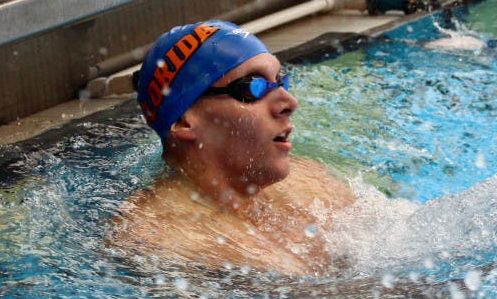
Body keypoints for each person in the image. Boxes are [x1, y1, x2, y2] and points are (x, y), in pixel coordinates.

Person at [111, 20, 355, 276]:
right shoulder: (163, 238)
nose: (289, 102)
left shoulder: (311, 181)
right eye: (252, 87)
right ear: (184, 120)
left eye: (281, 81)